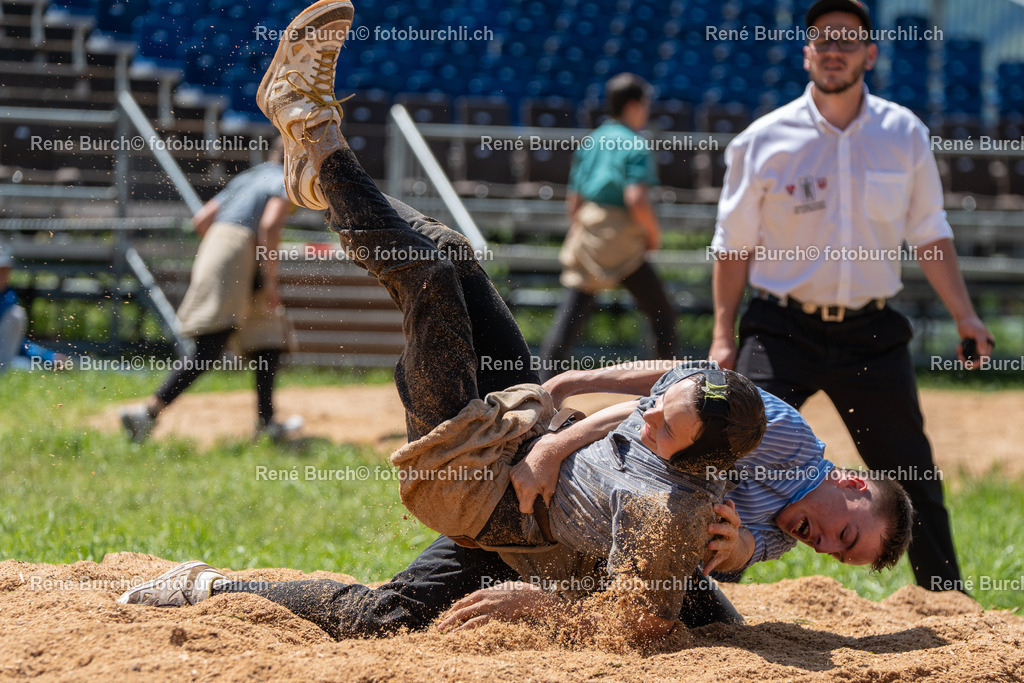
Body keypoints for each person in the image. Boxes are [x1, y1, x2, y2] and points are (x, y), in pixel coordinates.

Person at [119, 0, 913, 641]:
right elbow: (666, 393)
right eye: (845, 534)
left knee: (384, 615)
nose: (824, 547)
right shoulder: (768, 431)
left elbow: (645, 602)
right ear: (848, 483)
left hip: (525, 516)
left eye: (843, 555)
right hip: (536, 455)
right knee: (450, 260)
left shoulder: (764, 531)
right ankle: (318, 151)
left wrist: (569, 596)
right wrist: (565, 402)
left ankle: (211, 585)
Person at [708, 0, 994, 591]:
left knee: (913, 472)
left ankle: (947, 602)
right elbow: (732, 246)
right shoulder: (761, 140)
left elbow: (930, 233)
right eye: (821, 39)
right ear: (806, 51)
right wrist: (721, 336)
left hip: (871, 333)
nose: (833, 49)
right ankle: (704, 594)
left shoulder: (903, 133)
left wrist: (965, 316)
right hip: (781, 328)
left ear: (870, 52)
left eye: (847, 39)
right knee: (728, 452)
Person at [118, 138, 302, 444]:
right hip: (241, 249)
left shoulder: (250, 176)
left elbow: (202, 220)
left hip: (219, 245)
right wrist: (270, 281)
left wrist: (224, 254)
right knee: (212, 344)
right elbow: (269, 226)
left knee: (266, 337)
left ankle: (267, 423)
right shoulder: (286, 180)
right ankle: (146, 413)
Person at [539, 73, 677, 380]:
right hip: (621, 234)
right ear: (633, 105)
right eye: (645, 104)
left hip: (590, 227)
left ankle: (544, 390)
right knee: (661, 313)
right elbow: (637, 198)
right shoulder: (636, 143)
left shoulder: (593, 139)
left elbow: (573, 200)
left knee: (571, 316)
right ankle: (668, 385)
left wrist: (581, 232)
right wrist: (652, 235)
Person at [0, 244, 68, 372]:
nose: (2, 275)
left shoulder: (7, 299)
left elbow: (17, 343)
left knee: (25, 366)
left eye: (5, 270)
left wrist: (49, 357)